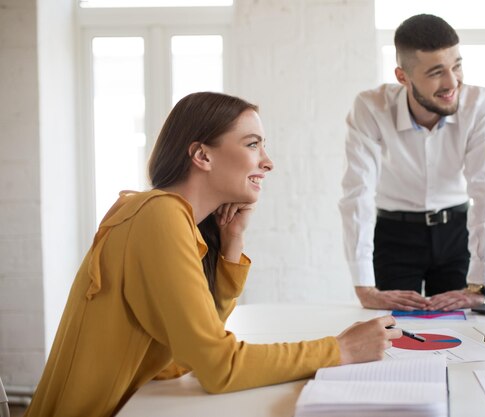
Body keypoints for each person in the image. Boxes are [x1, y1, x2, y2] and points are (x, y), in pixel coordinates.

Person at [25, 92, 401, 417]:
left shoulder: (171, 218)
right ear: (202, 156)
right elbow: (219, 367)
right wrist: (340, 350)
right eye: (253, 144)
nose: (267, 162)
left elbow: (189, 354)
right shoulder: (159, 215)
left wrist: (231, 242)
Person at [339, 14, 485, 312]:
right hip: (395, 235)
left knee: (463, 334)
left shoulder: (479, 104)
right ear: (403, 77)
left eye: (457, 66)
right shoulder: (370, 107)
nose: (452, 82)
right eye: (436, 72)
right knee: (397, 335)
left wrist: (480, 284)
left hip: (455, 232)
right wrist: (364, 287)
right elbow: (357, 194)